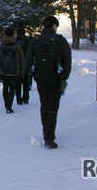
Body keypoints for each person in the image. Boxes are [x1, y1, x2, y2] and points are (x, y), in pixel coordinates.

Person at [26, 16, 72, 149]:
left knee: (44, 103)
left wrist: (33, 73)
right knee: (53, 106)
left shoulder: (35, 41)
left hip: (41, 77)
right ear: (54, 26)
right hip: (56, 77)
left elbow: (29, 59)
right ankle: (49, 136)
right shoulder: (60, 41)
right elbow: (67, 59)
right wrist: (65, 76)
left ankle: (45, 129)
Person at [0, 27, 25, 114]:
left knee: (5, 87)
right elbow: (22, 61)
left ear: (5, 34)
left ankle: (6, 104)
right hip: (14, 71)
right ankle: (9, 105)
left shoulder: (1, 46)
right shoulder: (17, 46)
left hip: (4, 71)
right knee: (12, 89)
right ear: (13, 34)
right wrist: (21, 74)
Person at [15, 28, 32, 105]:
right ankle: (26, 98)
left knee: (18, 82)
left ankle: (18, 98)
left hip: (17, 63)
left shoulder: (15, 40)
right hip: (26, 62)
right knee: (26, 81)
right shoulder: (28, 40)